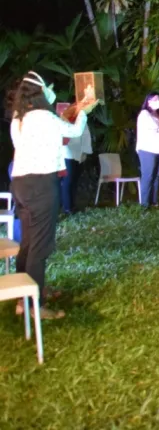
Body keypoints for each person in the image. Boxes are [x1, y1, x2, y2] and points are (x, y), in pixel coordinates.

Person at [10, 71, 97, 319]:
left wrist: (77, 107)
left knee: (28, 243)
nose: (51, 91)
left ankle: (24, 295)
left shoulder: (19, 118)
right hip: (41, 185)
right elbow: (74, 131)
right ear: (41, 91)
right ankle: (33, 306)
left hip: (21, 183)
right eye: (48, 87)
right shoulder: (44, 117)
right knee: (40, 246)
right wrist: (84, 111)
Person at [136, 93, 159, 208]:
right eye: (155, 99)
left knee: (156, 176)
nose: (158, 102)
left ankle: (154, 202)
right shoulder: (144, 114)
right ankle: (144, 204)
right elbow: (154, 128)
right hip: (148, 149)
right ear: (148, 101)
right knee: (148, 176)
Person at [59, 102, 92, 215]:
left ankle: (71, 205)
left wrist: (85, 151)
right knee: (67, 181)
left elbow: (85, 135)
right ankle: (67, 207)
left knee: (73, 180)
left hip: (76, 155)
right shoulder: (60, 121)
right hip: (66, 155)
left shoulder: (79, 121)